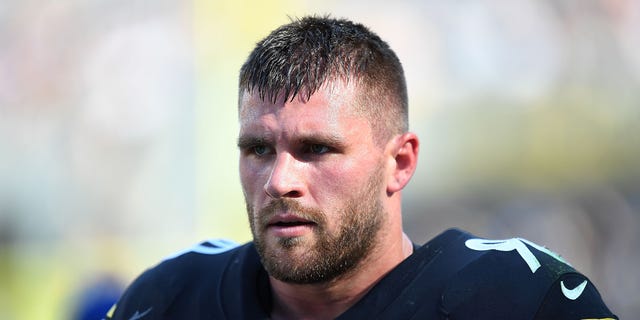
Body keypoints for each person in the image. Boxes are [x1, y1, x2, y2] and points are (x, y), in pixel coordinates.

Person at [105, 16, 617, 319]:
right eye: (258, 149)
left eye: (318, 149)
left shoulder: (516, 300)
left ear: (400, 162)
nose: (281, 181)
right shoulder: (169, 300)